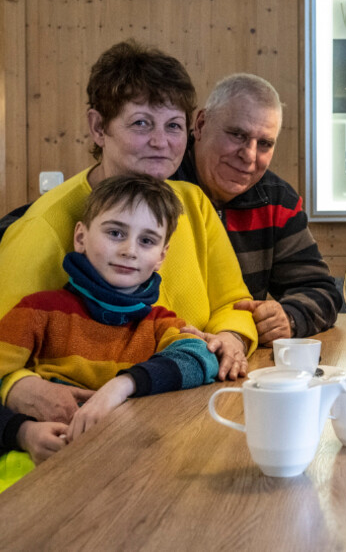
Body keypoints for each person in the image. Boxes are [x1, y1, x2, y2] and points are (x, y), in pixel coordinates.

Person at [0, 40, 256, 425]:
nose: (161, 141)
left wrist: (231, 339)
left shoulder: (194, 203)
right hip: (89, 430)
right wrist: (15, 386)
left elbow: (234, 304)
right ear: (98, 127)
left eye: (173, 126)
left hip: (192, 413)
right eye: (141, 123)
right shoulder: (41, 228)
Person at [0, 174, 219, 485]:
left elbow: (202, 357)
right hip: (35, 467)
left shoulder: (159, 323)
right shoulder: (39, 311)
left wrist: (120, 387)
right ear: (80, 237)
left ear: (162, 256)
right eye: (116, 233)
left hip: (124, 471)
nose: (129, 250)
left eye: (147, 240)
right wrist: (23, 432)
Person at [171, 74, 341, 345]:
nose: (249, 155)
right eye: (238, 135)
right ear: (201, 124)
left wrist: (288, 317)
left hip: (240, 365)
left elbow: (321, 291)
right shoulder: (157, 190)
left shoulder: (276, 200)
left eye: (264, 144)